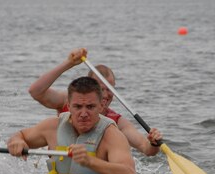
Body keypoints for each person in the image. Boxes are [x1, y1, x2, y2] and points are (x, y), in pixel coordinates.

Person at [8, 77, 137, 174]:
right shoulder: (52, 127)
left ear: (101, 106)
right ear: (68, 106)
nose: (83, 113)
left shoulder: (112, 135)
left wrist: (90, 161)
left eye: (90, 107)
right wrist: (17, 141)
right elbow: (22, 135)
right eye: (77, 107)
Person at [29, 48, 162, 156]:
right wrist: (69, 63)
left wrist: (154, 143)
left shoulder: (117, 123)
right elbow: (35, 91)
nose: (105, 94)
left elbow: (146, 148)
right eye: (100, 88)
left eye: (110, 89)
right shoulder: (68, 102)